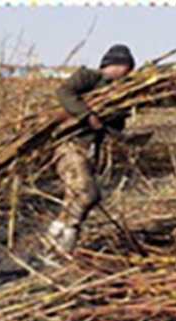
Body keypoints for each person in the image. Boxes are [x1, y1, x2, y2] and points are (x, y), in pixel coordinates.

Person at [46, 44, 136, 253]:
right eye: (127, 68)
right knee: (89, 193)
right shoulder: (90, 77)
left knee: (74, 197)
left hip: (88, 151)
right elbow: (64, 92)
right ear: (117, 64)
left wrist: (123, 134)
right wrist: (88, 116)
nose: (129, 73)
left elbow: (112, 127)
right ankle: (69, 236)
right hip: (69, 146)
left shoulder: (120, 93)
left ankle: (54, 238)